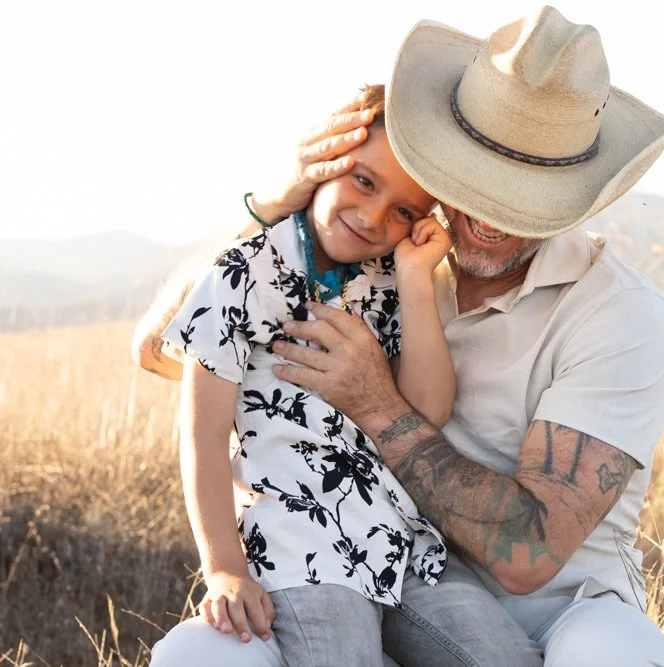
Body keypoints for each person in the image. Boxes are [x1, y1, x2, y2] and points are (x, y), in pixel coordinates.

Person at [136, 6, 664, 665]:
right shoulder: (383, 257)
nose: (489, 212)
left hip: (549, 612)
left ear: (570, 195)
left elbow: (529, 556)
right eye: (475, 175)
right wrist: (278, 205)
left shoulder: (615, 309)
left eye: (525, 194)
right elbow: (159, 346)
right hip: (338, 558)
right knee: (202, 656)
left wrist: (376, 399)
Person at [147, 85, 543, 667]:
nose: (373, 215)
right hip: (300, 547)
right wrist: (225, 569)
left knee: (505, 659)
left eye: (403, 211)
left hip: (404, 546)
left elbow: (427, 410)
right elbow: (202, 437)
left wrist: (412, 277)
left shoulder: (392, 280)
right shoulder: (242, 273)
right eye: (363, 181)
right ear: (325, 164)